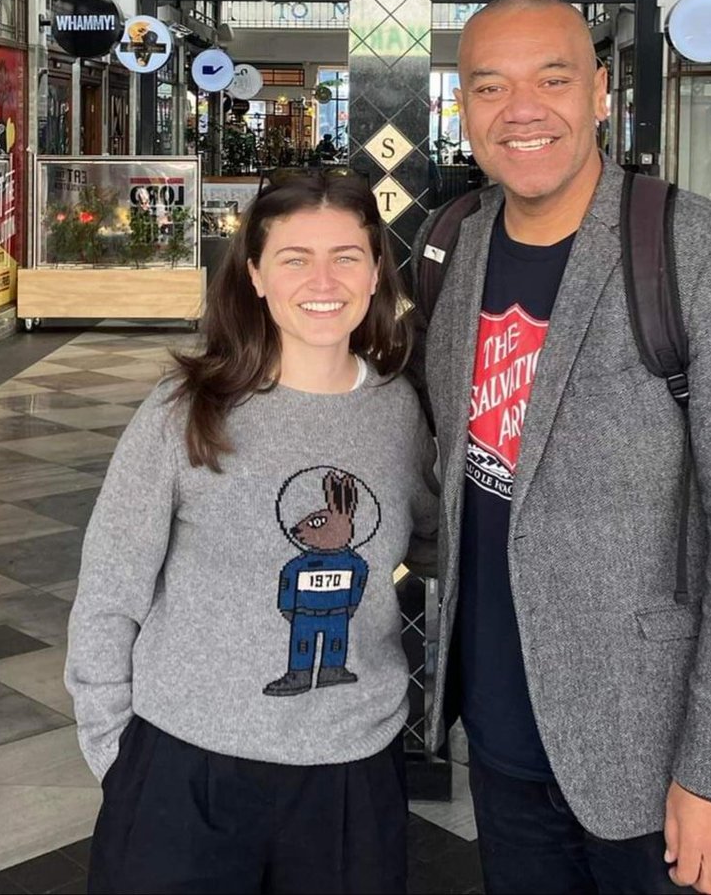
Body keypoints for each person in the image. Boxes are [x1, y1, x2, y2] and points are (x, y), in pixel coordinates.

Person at [413, 0, 711, 895]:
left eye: (553, 79)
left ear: (601, 92)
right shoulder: (455, 246)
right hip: (505, 740)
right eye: (491, 86)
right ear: (464, 105)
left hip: (661, 754)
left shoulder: (702, 255)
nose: (522, 110)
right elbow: (453, 476)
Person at [66, 168, 438, 894]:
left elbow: (434, 542)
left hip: (349, 773)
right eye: (295, 259)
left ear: (375, 275)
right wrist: (117, 752)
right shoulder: (188, 410)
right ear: (257, 276)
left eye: (346, 257)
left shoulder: (399, 412)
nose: (323, 281)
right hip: (185, 767)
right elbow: (111, 587)